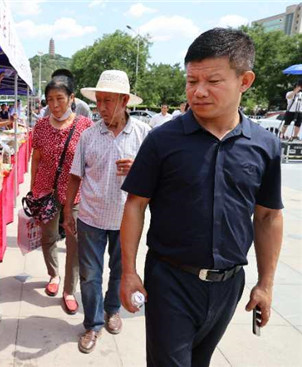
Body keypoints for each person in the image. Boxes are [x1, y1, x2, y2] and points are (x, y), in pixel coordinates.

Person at [120, 28, 283, 367]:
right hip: (170, 281)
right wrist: (128, 271)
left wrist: (265, 284)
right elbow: (135, 204)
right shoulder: (163, 141)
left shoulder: (264, 146)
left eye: (212, 81)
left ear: (245, 80)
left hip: (228, 284)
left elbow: (267, 216)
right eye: (191, 81)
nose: (199, 91)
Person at [64, 70, 149, 353]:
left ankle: (113, 310)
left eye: (108, 101)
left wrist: (138, 169)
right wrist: (68, 212)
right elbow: (75, 176)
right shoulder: (88, 135)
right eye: (99, 101)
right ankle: (93, 324)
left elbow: (157, 179)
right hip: (90, 217)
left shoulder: (143, 135)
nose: (102, 107)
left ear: (125, 101)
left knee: (120, 271)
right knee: (90, 274)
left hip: (127, 220)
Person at [31, 74, 93, 315]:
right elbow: (36, 158)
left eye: (60, 99)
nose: (55, 105)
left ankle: (69, 289)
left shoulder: (85, 126)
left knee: (74, 241)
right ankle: (53, 274)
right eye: (50, 100)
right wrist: (33, 188)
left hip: (75, 194)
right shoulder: (41, 126)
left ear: (71, 98)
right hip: (46, 192)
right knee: (48, 237)